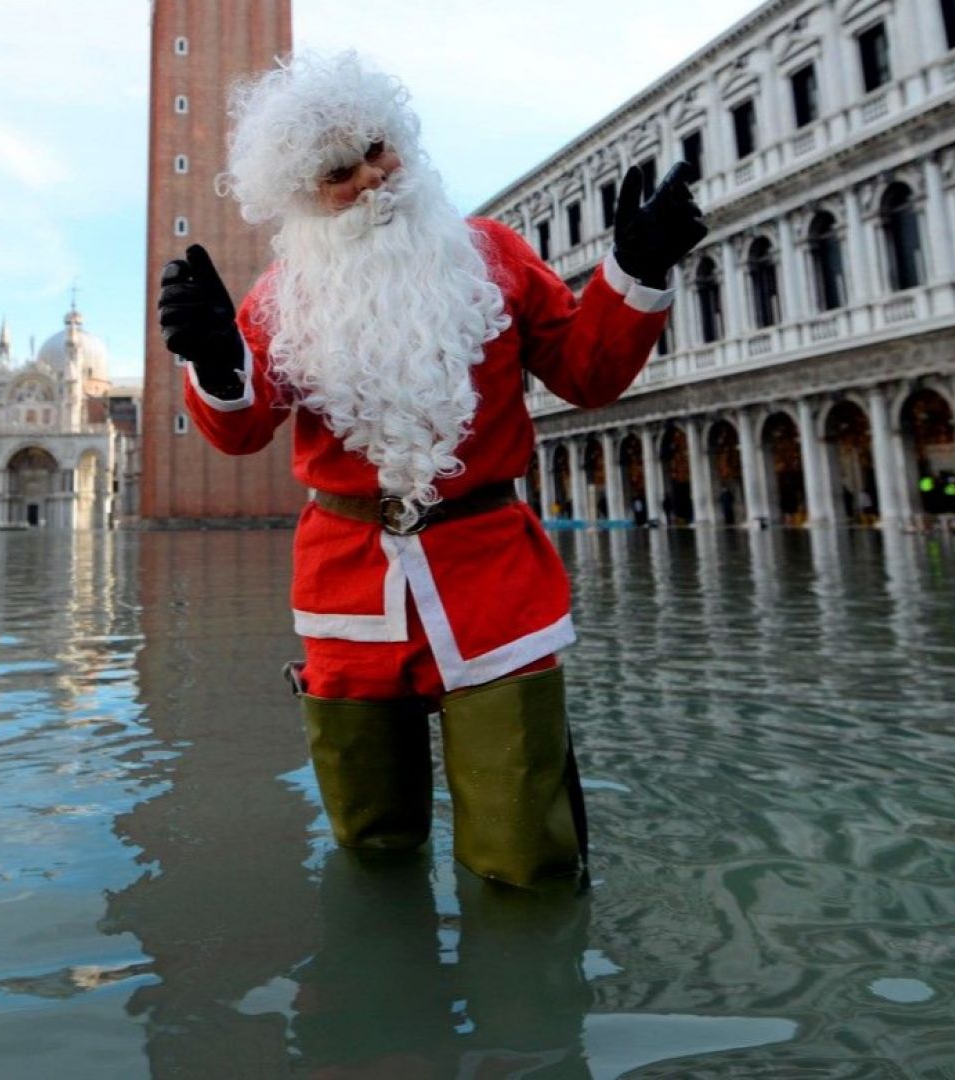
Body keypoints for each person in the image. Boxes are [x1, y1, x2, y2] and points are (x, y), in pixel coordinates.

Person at [157, 53, 705, 889]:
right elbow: (243, 431)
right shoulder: (278, 297)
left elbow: (585, 373)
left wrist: (634, 271)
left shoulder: (491, 252)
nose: (373, 178)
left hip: (493, 584)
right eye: (341, 172)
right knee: (370, 848)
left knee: (527, 855)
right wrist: (217, 361)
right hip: (348, 597)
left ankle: (527, 1006)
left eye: (380, 149)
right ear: (305, 196)